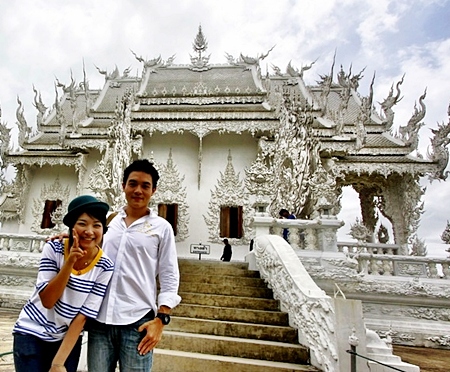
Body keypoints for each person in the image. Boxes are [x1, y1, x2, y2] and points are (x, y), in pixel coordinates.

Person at [87, 159, 181, 372]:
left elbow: (169, 274)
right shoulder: (109, 222)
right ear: (123, 186)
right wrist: (63, 239)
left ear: (153, 190)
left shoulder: (161, 228)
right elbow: (87, 246)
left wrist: (162, 318)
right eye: (133, 184)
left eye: (145, 185)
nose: (138, 190)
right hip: (100, 320)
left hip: (137, 322)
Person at [13, 195, 114, 372]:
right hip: (31, 332)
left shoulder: (105, 266)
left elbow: (82, 317)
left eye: (97, 225)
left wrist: (58, 363)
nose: (89, 231)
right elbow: (48, 301)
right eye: (82, 223)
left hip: (66, 338)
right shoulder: (54, 249)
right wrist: (69, 263)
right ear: (71, 227)